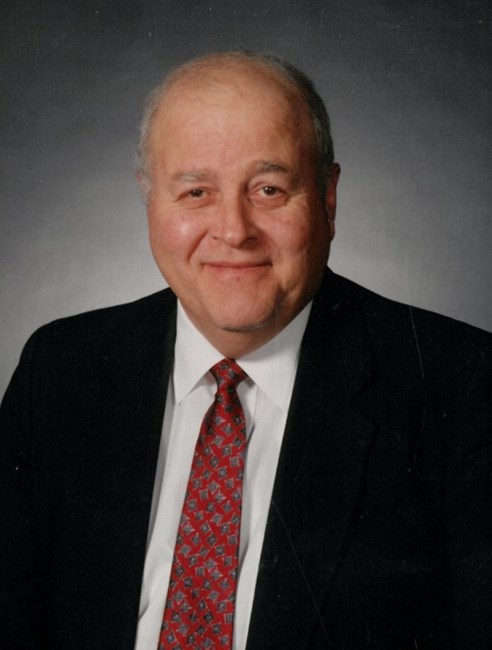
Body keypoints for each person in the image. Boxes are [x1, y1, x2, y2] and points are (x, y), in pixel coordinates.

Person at [0, 51, 490, 650]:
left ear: (328, 197)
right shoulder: (61, 368)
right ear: (149, 201)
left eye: (268, 189)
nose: (234, 230)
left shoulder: (460, 385)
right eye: (196, 191)